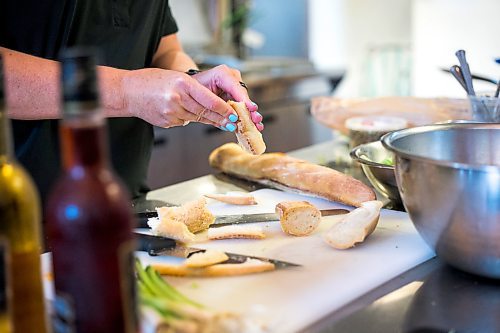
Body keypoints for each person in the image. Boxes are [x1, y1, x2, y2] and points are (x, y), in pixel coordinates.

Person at [0, 1, 263, 205]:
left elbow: (166, 50)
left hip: (126, 198)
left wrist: (192, 82)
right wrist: (127, 91)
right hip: (22, 208)